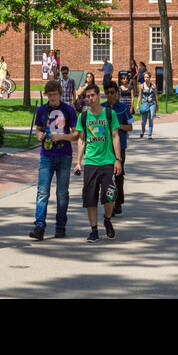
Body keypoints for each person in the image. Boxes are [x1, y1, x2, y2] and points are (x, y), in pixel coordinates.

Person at [30, 80, 78, 240]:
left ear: (60, 93)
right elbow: (38, 129)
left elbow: (77, 134)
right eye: (49, 95)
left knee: (62, 193)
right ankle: (39, 226)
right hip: (46, 156)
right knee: (42, 192)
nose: (52, 98)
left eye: (54, 94)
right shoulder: (42, 110)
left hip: (64, 155)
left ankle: (60, 226)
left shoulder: (68, 110)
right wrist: (39, 136)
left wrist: (61, 136)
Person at [74, 83, 122, 242]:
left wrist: (117, 159)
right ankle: (93, 229)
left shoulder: (110, 114)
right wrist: (78, 162)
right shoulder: (84, 116)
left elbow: (115, 136)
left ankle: (107, 219)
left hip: (108, 161)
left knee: (109, 196)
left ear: (99, 95)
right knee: (90, 198)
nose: (90, 99)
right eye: (87, 96)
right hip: (91, 162)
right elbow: (81, 139)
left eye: (93, 95)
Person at [103, 81, 134, 215]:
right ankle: (110, 202)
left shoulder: (122, 107)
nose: (110, 95)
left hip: (119, 146)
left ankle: (118, 202)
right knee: (107, 177)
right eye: (107, 92)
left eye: (112, 92)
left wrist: (118, 126)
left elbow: (130, 126)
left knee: (118, 175)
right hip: (105, 147)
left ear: (117, 93)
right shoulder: (101, 108)